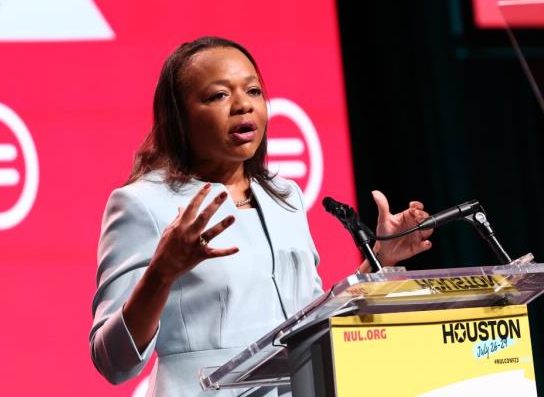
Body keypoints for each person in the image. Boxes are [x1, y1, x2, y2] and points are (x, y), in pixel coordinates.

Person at [89, 36, 433, 396]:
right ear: (180, 117)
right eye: (219, 95)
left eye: (253, 91)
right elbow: (113, 361)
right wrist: (160, 274)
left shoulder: (285, 196)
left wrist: (379, 262)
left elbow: (311, 322)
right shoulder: (144, 203)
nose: (243, 106)